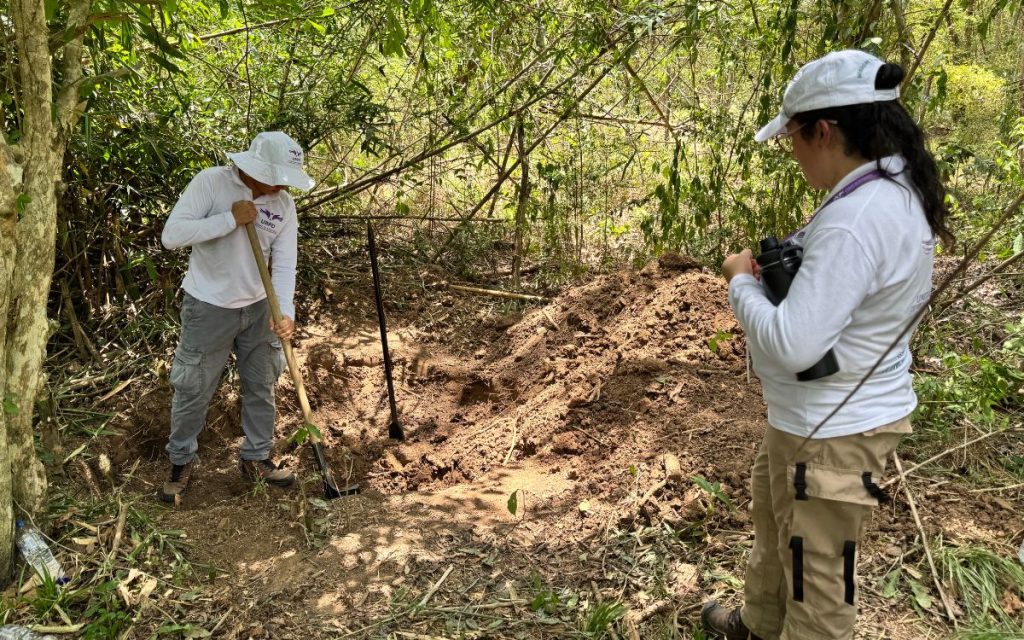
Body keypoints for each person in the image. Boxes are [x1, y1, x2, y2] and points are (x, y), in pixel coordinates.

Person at [702, 50, 953, 639]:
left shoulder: (856, 218)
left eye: (793, 136)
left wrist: (740, 282)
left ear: (824, 131)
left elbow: (793, 344)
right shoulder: (889, 188)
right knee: (777, 527)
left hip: (832, 430)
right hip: (817, 417)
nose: (792, 151)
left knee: (817, 577)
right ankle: (761, 624)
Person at [159, 131, 316, 503]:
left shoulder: (284, 205)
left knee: (262, 383)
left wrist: (285, 311)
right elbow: (172, 235)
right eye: (276, 177)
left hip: (260, 306)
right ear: (255, 168)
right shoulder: (211, 182)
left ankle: (256, 457)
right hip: (208, 306)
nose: (281, 186)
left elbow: (285, 264)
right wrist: (229, 219)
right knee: (193, 386)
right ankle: (181, 460)